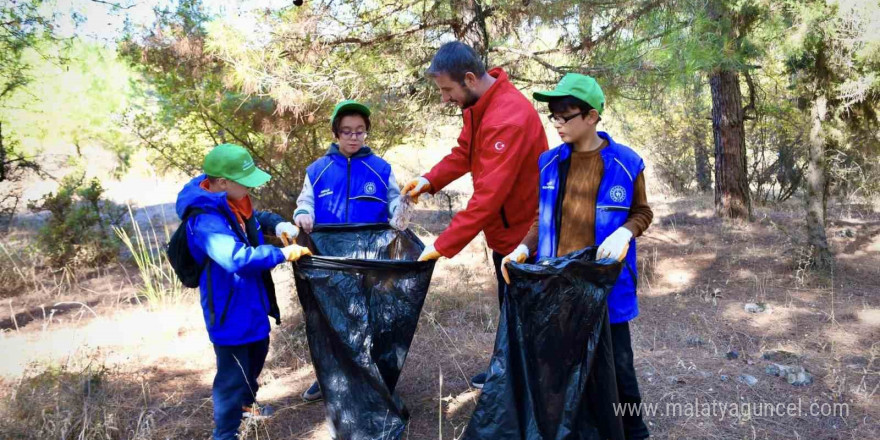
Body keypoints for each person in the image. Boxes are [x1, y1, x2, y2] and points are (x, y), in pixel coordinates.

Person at [501, 73, 653, 440]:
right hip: (558, 284)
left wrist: (624, 232)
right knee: (561, 363)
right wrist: (523, 247)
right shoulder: (549, 163)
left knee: (618, 366)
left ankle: (634, 431)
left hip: (605, 285)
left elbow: (642, 212)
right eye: (552, 116)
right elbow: (543, 218)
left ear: (592, 116)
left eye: (565, 116)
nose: (557, 124)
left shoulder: (625, 163)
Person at [402, 41, 548, 389]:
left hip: (525, 236)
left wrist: (442, 245)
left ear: (469, 78)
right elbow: (465, 152)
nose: (444, 99)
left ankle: (530, 391)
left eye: (448, 90)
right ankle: (509, 376)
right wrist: (428, 180)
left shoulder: (508, 117)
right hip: (503, 231)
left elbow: (487, 197)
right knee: (510, 308)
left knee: (526, 312)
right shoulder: (480, 104)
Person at [175, 143, 311, 440]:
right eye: (244, 181)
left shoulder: (233, 200)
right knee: (231, 376)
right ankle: (224, 434)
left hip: (252, 302)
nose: (250, 187)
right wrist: (281, 254)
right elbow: (235, 258)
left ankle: (247, 406)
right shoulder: (205, 219)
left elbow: (254, 217)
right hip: (228, 309)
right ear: (222, 182)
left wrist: (278, 223)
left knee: (257, 354)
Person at [293, 99, 404, 402]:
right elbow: (305, 202)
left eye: (359, 131)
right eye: (347, 132)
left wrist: (399, 211)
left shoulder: (381, 168)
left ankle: (376, 380)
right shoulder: (317, 170)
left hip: (372, 260)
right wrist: (302, 213)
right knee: (333, 319)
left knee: (373, 317)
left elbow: (395, 201)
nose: (353, 137)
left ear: (366, 133)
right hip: (330, 260)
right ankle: (330, 377)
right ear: (336, 134)